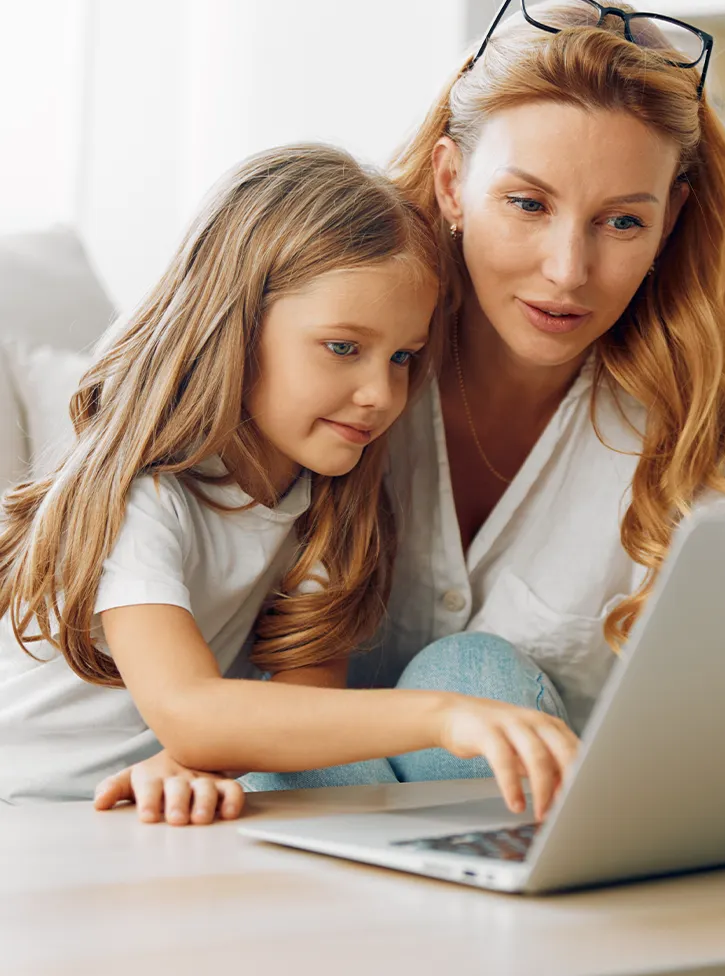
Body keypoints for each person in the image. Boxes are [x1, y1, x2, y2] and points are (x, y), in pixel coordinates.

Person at [98, 0, 725, 976]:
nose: (568, 269)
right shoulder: (336, 370)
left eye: (623, 222)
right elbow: (230, 612)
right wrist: (205, 734)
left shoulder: (686, 439)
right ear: (449, 181)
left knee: (482, 671)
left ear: (675, 219)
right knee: (458, 679)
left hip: (510, 871)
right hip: (309, 804)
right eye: (526, 204)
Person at [0, 142, 576, 818]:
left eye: (401, 357)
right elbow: (187, 708)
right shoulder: (143, 498)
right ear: (234, 327)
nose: (380, 394)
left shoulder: (323, 496)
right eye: (343, 348)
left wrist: (195, 756)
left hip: (178, 791)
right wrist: (443, 716)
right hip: (47, 811)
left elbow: (308, 685)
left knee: (444, 699)